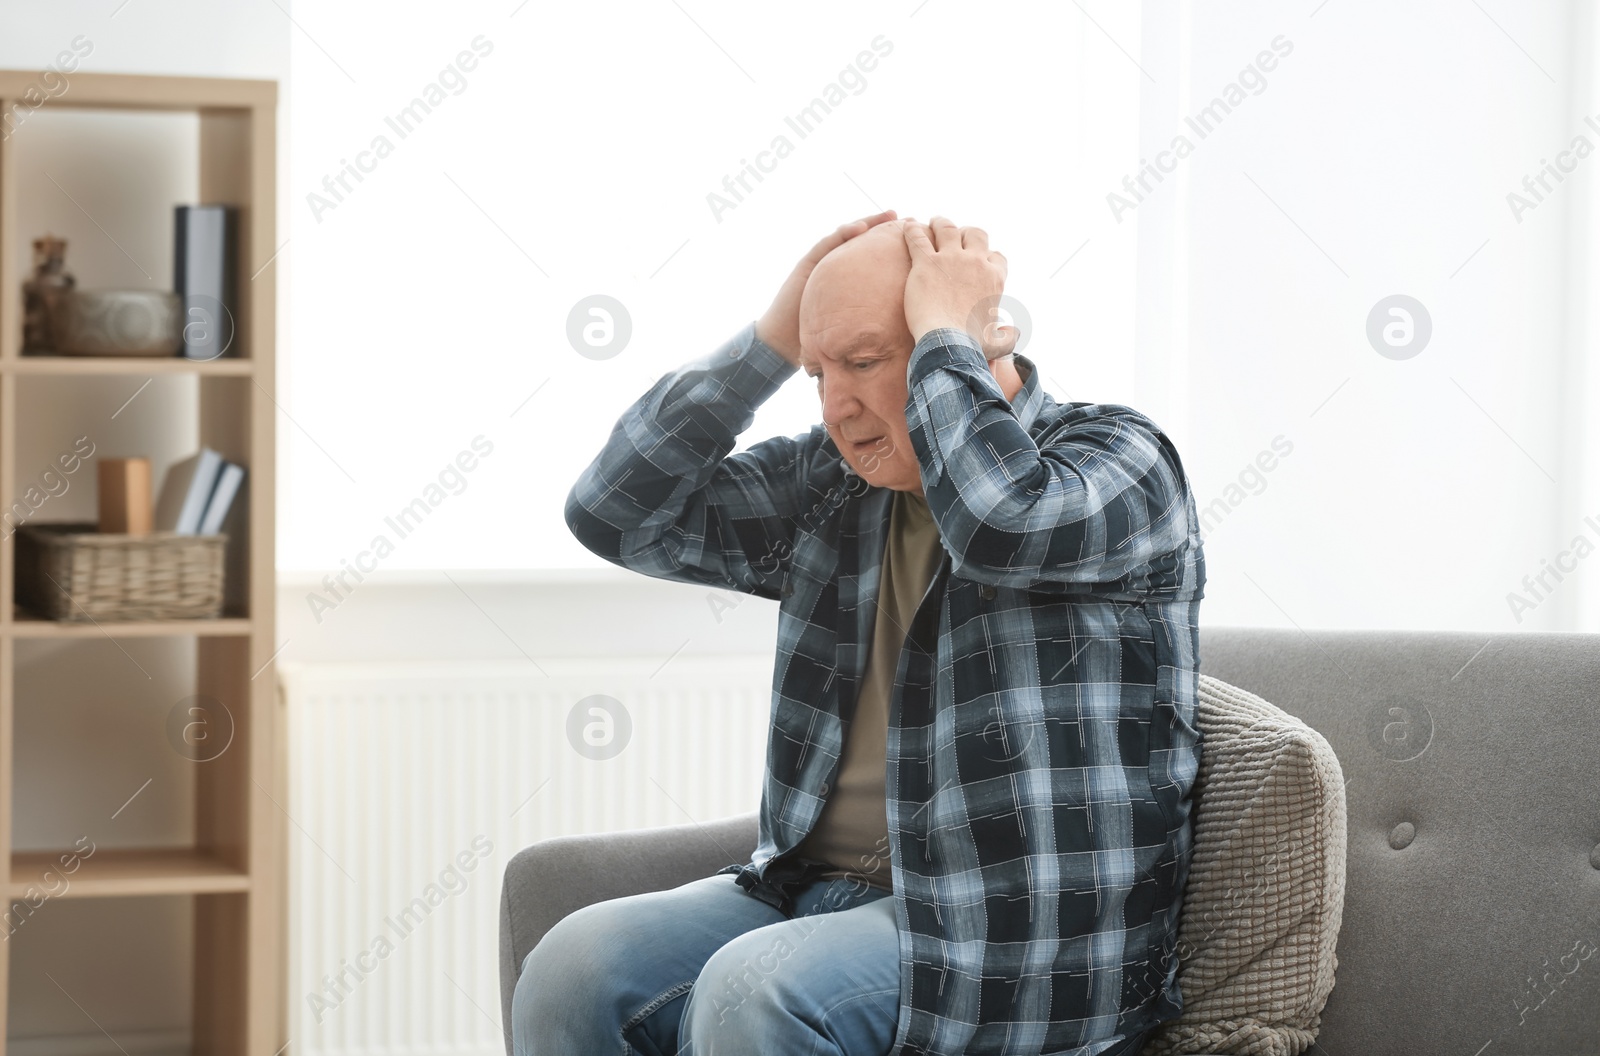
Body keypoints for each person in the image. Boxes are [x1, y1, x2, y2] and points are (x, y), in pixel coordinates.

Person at [515, 211, 1206, 1056]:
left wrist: (950, 334)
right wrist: (768, 346)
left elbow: (997, 525)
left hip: (1008, 935)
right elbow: (615, 515)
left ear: (978, 340)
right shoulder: (837, 486)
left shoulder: (1118, 461)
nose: (837, 407)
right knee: (575, 966)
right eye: (817, 373)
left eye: (867, 361)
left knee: (751, 994)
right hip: (811, 896)